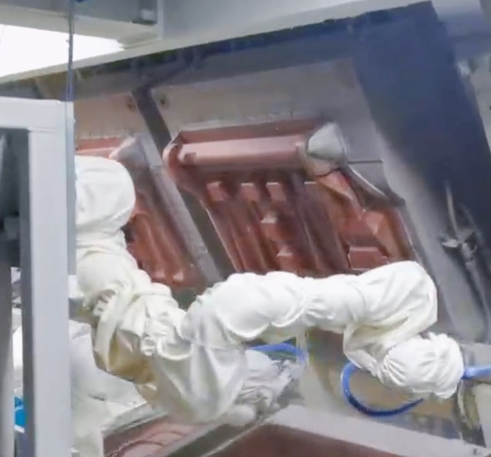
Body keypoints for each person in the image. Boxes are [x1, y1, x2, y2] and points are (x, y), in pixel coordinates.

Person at [72, 156, 466, 427]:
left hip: (169, 367)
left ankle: (375, 306)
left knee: (236, 311)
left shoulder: (85, 247)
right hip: (173, 369)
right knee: (238, 305)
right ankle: (375, 304)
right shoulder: (85, 239)